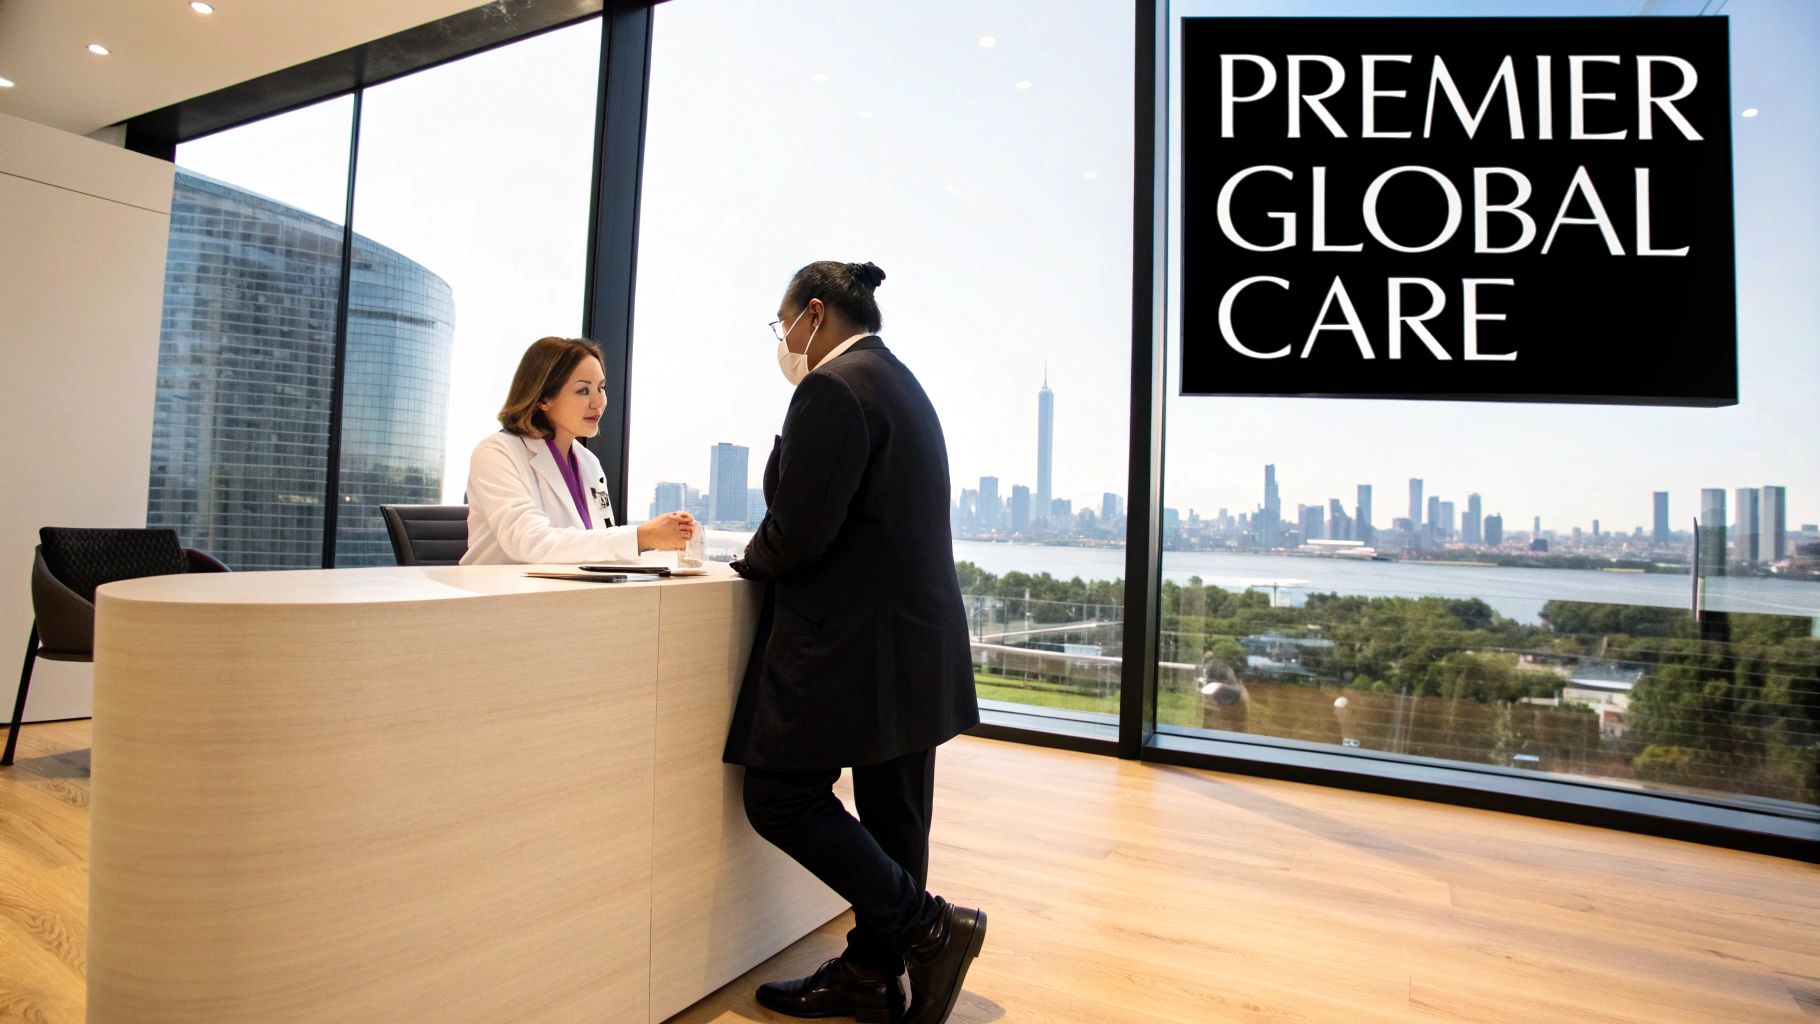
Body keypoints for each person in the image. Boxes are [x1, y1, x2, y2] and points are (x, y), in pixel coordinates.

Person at [726, 261, 984, 1024]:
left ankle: (929, 930)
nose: (784, 345)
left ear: (814, 314)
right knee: (895, 811)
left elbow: (801, 531)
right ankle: (874, 972)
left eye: (783, 328)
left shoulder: (833, 387)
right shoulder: (899, 380)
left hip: (856, 647)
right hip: (917, 639)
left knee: (778, 796)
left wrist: (747, 562)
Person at [462, 336, 694, 564]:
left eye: (601, 388)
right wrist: (642, 536)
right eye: (583, 391)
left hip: (567, 592)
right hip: (497, 596)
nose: (598, 402)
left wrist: (657, 538)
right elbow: (531, 543)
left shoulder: (588, 462)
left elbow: (595, 541)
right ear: (543, 399)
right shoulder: (496, 453)